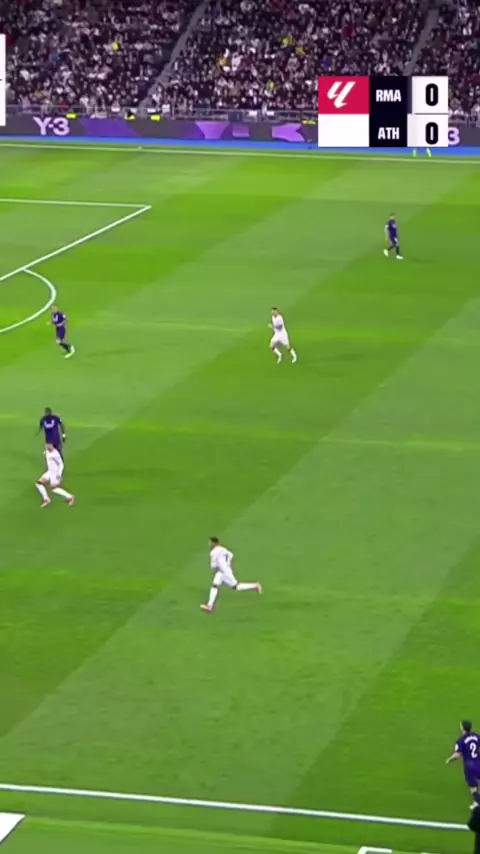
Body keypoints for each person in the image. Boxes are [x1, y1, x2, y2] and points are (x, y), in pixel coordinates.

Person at [200, 537, 261, 612]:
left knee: (236, 587)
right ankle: (209, 605)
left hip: (223, 572)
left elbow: (213, 565)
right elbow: (231, 555)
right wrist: (227, 564)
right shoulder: (222, 549)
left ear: (213, 543)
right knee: (215, 585)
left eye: (210, 543)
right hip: (224, 571)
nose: (209, 544)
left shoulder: (213, 552)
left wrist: (215, 569)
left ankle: (255, 586)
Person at [446, 720, 480, 804]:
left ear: (462, 728)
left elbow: (457, 755)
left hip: (470, 767)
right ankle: (476, 802)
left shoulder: (461, 740)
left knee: (473, 788)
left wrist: (449, 759)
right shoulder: (477, 736)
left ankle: (478, 803)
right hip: (478, 763)